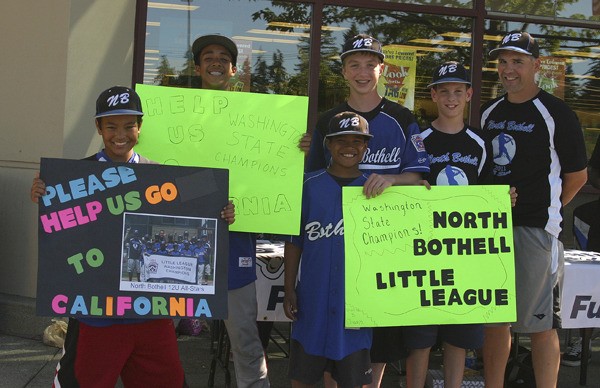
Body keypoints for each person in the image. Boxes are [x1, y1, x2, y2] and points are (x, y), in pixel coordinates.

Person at [30, 85, 235, 387]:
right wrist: (42, 195)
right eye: (111, 126)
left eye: (129, 125)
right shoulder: (74, 177)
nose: (120, 134)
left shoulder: (160, 176)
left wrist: (222, 211)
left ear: (140, 127)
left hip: (151, 317)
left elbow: (203, 204)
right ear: (98, 127)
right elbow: (61, 237)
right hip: (96, 317)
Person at [303, 34, 430, 386]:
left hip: (383, 246)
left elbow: (420, 178)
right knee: (333, 337)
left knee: (378, 340)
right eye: (354, 64)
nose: (362, 72)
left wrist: (392, 181)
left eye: (370, 64)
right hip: (332, 245)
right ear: (343, 71)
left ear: (382, 69)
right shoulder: (327, 120)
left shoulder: (402, 118)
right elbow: (310, 178)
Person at [480, 31, 588, 387]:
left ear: (537, 66)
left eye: (518, 61)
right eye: (503, 62)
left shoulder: (556, 112)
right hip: (489, 232)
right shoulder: (487, 112)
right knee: (496, 321)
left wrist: (549, 211)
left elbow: (577, 176)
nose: (509, 70)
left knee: (539, 326)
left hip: (535, 231)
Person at [402, 61, 490, 388]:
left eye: (458, 90)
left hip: (465, 253)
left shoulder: (480, 143)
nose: (451, 98)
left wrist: (503, 200)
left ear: (469, 94)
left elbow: (488, 193)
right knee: (421, 336)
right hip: (423, 251)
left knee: (459, 334)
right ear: (433, 95)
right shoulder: (419, 139)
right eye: (444, 91)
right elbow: (406, 184)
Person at [191, 34, 270, 387]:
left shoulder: (254, 117)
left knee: (244, 339)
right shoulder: (170, 114)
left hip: (234, 243)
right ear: (197, 67)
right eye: (208, 56)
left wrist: (296, 145)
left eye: (224, 57)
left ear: (234, 68)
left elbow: (272, 166)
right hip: (176, 241)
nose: (216, 61)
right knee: (155, 335)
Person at [284, 111, 375, 388]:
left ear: (366, 146)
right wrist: (289, 288)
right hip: (313, 298)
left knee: (352, 380)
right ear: (328, 144)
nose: (349, 147)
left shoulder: (376, 191)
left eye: (357, 141)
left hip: (357, 304)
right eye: (341, 140)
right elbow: (294, 241)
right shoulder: (308, 186)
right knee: (303, 377)